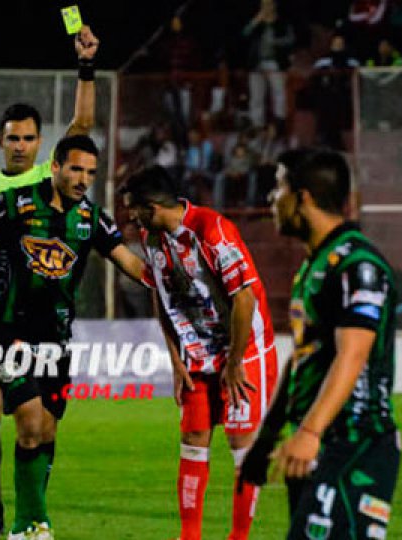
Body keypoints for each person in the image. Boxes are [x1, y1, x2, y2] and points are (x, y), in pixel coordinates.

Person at [0, 135, 146, 540]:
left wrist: (163, 282)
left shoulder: (92, 218)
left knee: (45, 430)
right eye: (76, 169)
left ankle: (32, 519)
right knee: (25, 420)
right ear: (56, 166)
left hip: (55, 337)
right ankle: (27, 524)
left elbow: (125, 258)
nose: (83, 179)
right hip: (7, 330)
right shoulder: (16, 203)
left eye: (91, 173)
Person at [0, 24, 99, 540]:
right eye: (12, 138)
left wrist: (85, 64)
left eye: (28, 138)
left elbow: (83, 121)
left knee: (36, 415)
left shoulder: (49, 178)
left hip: (40, 314)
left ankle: (28, 508)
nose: (20, 145)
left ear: (41, 143)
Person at [241, 150, 401, 539]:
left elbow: (354, 353)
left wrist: (309, 433)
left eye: (279, 187)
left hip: (354, 442)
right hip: (318, 443)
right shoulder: (316, 264)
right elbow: (301, 360)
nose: (271, 199)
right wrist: (267, 439)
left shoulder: (357, 265)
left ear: (304, 197)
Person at [119, 165, 278, 540]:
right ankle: (189, 537)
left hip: (245, 351)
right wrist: (176, 360)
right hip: (197, 353)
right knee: (192, 439)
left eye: (134, 210)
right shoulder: (153, 237)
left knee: (241, 444)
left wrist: (236, 362)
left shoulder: (214, 232)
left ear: (154, 207)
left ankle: (238, 537)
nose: (130, 219)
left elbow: (244, 299)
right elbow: (161, 291)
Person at [242, 0, 295, 127]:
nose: (266, 7)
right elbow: (244, 34)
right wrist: (255, 22)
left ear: (274, 5)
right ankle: (256, 125)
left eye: (268, 4)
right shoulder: (257, 24)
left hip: (275, 63)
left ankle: (279, 123)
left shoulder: (282, 23)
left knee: (279, 94)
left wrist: (276, 42)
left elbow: (290, 40)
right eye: (263, 5)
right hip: (256, 63)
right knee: (256, 96)